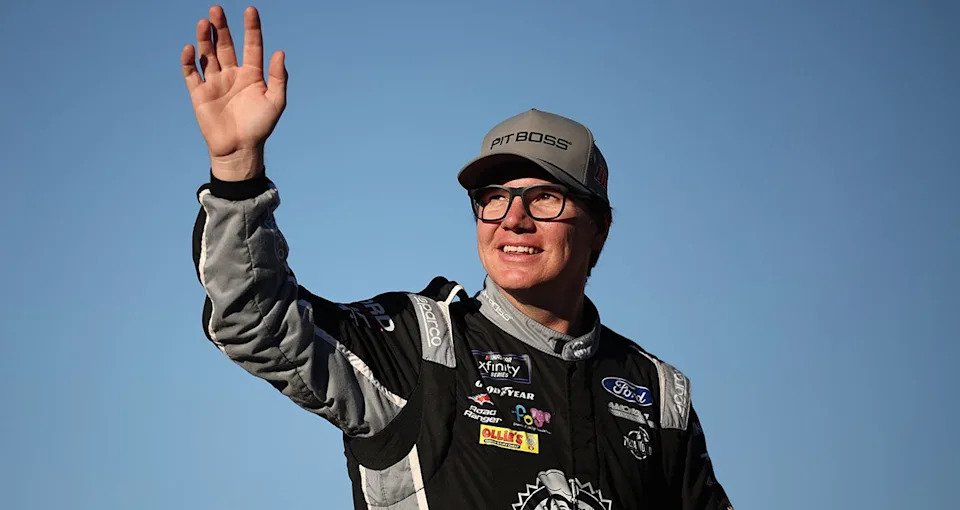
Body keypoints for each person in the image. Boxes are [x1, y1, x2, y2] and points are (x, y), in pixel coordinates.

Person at [184, 6, 733, 510]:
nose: (513, 219)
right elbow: (256, 319)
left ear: (599, 227)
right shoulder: (418, 345)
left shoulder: (659, 395)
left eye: (545, 196)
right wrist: (236, 171)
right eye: (493, 198)